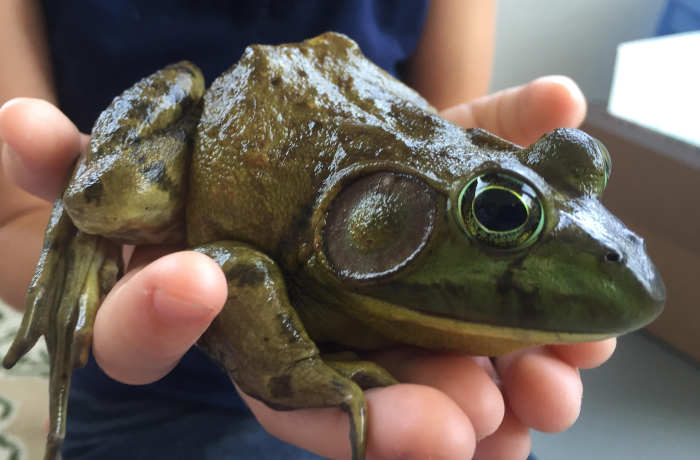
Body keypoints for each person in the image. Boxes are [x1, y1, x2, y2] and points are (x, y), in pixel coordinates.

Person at [0, 1, 617, 459]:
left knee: (461, 432)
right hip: (133, 391)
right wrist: (294, 368)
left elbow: (449, 143)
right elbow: (235, 270)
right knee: (103, 200)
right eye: (503, 214)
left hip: (381, 339)